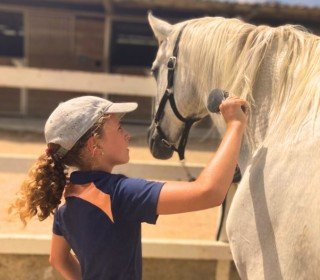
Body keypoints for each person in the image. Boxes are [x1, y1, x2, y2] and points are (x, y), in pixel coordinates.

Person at [9, 95, 247, 280]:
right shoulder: (118, 193)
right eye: (119, 128)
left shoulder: (67, 203)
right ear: (95, 144)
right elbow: (208, 192)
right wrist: (235, 124)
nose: (127, 136)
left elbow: (57, 259)